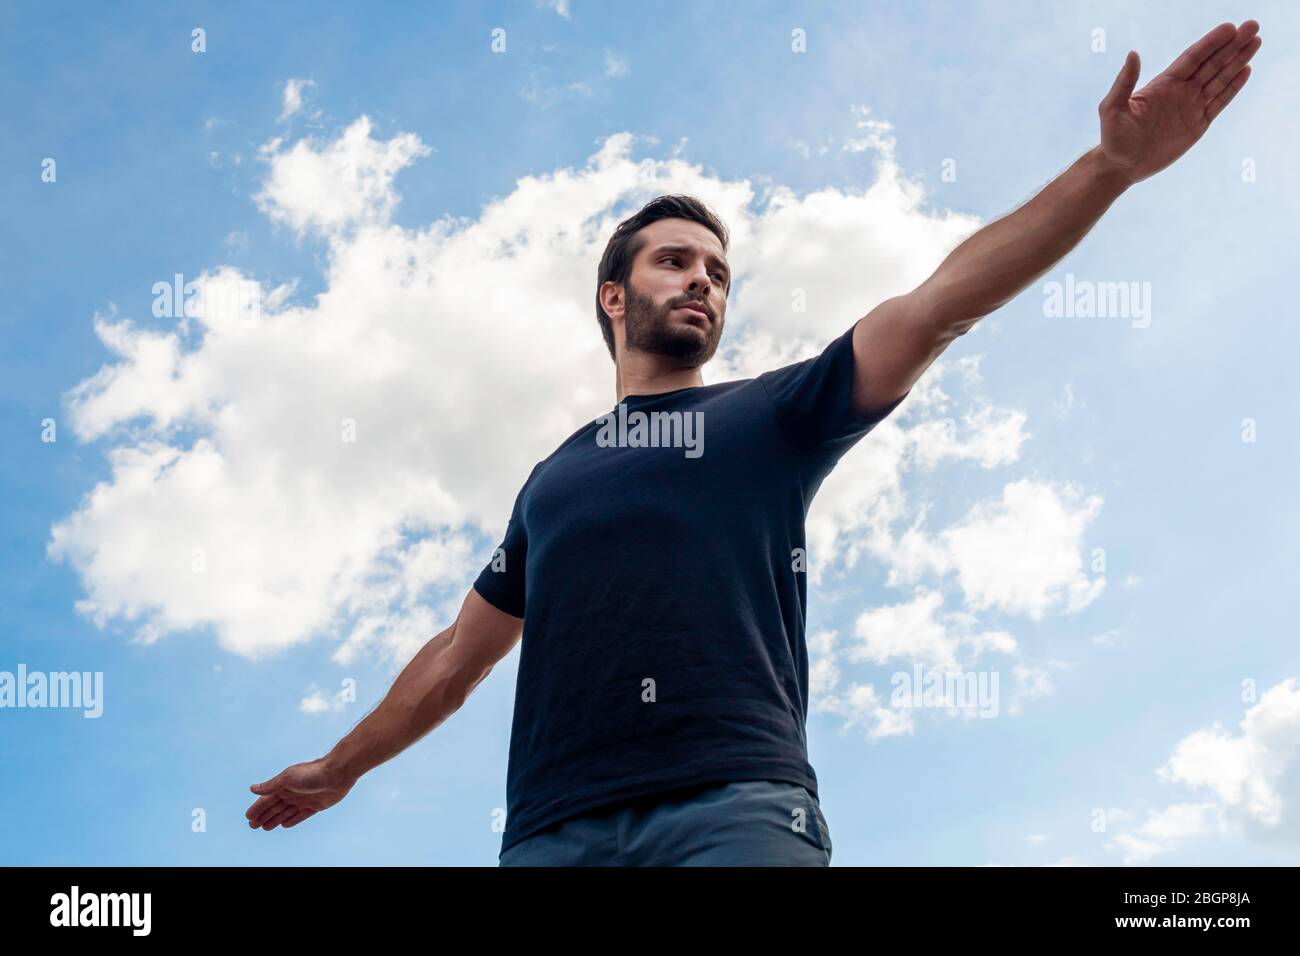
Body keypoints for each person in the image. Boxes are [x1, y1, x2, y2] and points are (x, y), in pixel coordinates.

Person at [245, 20, 1261, 865]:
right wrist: (342, 764)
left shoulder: (772, 414)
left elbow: (940, 303)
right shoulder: (553, 476)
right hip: (551, 829)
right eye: (676, 261)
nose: (702, 280)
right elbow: (457, 657)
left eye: (718, 272)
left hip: (735, 806)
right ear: (613, 295)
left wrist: (1109, 169)